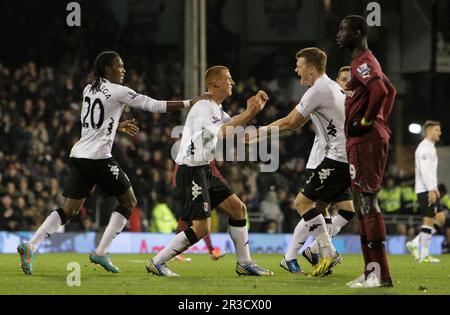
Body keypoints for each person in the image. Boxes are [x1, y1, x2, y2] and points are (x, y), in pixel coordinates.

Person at [17, 51, 210, 275]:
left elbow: (90, 122)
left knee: (70, 209)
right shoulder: (120, 91)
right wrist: (190, 102)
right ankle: (101, 252)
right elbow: (153, 105)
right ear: (108, 69)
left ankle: (31, 245)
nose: (123, 70)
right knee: (129, 201)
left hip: (79, 155)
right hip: (99, 158)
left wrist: (115, 126)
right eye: (120, 66)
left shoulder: (88, 89)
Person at [145, 65, 273, 277]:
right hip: (191, 170)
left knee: (238, 209)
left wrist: (254, 113)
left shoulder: (216, 108)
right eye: (228, 78)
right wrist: (250, 112)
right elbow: (223, 132)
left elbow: (231, 125)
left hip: (204, 168)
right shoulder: (204, 106)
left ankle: (245, 263)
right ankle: (157, 262)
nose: (232, 82)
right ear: (215, 83)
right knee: (201, 228)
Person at [251, 48, 354, 277]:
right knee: (321, 207)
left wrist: (257, 133)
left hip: (337, 158)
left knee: (302, 204)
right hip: (343, 157)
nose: (296, 69)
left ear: (311, 68)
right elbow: (297, 123)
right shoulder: (329, 88)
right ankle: (316, 251)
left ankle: (325, 252)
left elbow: (289, 123)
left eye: (299, 65)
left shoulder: (319, 89)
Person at [337, 15, 396, 288]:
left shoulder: (363, 62)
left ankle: (380, 274)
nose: (339, 35)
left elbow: (382, 90)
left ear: (358, 32)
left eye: (343, 30)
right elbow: (391, 90)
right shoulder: (364, 61)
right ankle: (371, 271)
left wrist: (366, 122)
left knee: (367, 203)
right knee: (363, 204)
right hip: (365, 141)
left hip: (366, 142)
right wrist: (380, 120)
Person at [297, 66, 355, 272]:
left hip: (337, 159)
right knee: (314, 206)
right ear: (337, 80)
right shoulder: (329, 94)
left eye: (351, 80)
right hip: (323, 161)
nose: (347, 83)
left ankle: (318, 250)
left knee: (343, 210)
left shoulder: (344, 100)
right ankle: (298, 255)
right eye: (344, 79)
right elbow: (297, 120)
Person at [171, 160, 225, 261]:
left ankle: (174, 252)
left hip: (190, 186)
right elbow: (212, 169)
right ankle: (211, 250)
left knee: (187, 219)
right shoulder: (200, 150)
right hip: (191, 187)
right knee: (199, 218)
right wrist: (223, 184)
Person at [407, 121, 445, 263]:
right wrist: (430, 190)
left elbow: (431, 171)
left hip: (430, 189)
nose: (439, 133)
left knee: (440, 219)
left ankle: (415, 243)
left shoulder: (431, 147)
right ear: (429, 131)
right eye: (437, 130)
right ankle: (424, 254)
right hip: (424, 189)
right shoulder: (423, 148)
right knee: (428, 219)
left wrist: (435, 189)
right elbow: (423, 171)